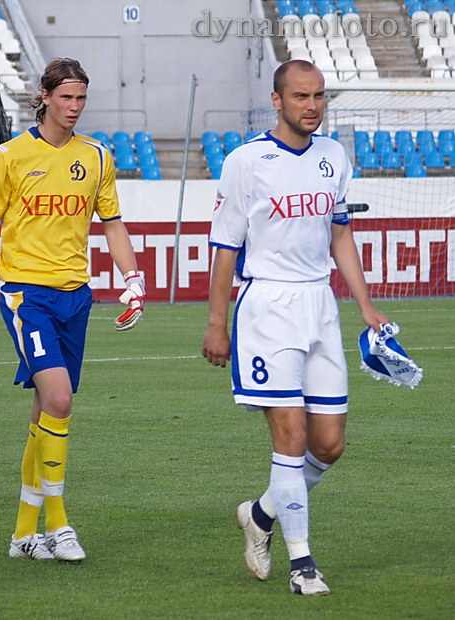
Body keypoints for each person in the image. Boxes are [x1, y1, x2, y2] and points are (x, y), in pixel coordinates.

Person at [0, 57, 145, 563]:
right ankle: (59, 524)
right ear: (45, 97)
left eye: (81, 98)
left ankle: (21, 535)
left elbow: (113, 223)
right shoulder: (10, 156)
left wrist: (133, 279)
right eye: (66, 98)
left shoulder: (97, 156)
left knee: (45, 411)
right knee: (58, 399)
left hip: (76, 296)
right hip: (25, 295)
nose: (74, 107)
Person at [201, 60, 389, 596]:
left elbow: (341, 236)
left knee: (328, 446)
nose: (313, 106)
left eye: (320, 96)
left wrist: (366, 307)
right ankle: (302, 563)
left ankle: (260, 513)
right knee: (291, 436)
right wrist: (218, 323)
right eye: (302, 96)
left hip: (320, 306)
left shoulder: (334, 157)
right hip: (266, 307)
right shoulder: (246, 161)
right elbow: (224, 247)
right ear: (277, 100)